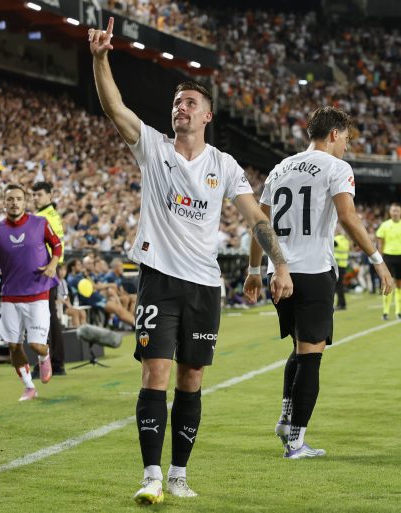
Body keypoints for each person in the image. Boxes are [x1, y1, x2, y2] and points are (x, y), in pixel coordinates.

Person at [89, 17, 292, 504]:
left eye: (190, 103)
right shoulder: (152, 148)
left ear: (207, 116)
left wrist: (277, 265)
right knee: (154, 374)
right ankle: (151, 476)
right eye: (177, 102)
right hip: (159, 280)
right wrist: (100, 59)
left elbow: (256, 218)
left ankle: (179, 473)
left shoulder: (224, 165)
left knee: (192, 379)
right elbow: (114, 107)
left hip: (203, 286)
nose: (181, 108)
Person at [244, 106, 394, 459]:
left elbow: (260, 223)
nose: (347, 147)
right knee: (311, 358)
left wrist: (254, 269)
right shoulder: (337, 167)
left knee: (299, 349)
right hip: (312, 271)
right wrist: (377, 260)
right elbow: (348, 218)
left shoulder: (280, 168)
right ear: (333, 135)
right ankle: (296, 440)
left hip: (279, 273)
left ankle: (286, 419)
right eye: (346, 139)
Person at [0, 184, 62, 402]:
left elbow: (57, 245)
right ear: (4, 203)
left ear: (25, 202)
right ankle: (29, 386)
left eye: (18, 199)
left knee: (36, 345)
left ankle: (44, 355)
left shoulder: (40, 223)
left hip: (38, 292)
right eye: (10, 199)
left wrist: (53, 264)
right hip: (10, 295)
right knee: (13, 346)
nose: (14, 203)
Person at [32, 181, 66, 377]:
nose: (36, 198)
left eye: (39, 195)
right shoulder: (53, 215)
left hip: (45, 270)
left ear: (49, 195)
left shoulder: (43, 217)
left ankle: (48, 362)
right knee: (50, 317)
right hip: (52, 268)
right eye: (34, 195)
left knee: (44, 317)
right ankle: (57, 361)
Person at [375, 203, 401, 320]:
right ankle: (385, 312)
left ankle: (398, 312)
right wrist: (379, 259)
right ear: (390, 212)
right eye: (393, 210)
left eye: (397, 210)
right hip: (388, 257)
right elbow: (380, 243)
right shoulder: (384, 225)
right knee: (387, 283)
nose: (395, 213)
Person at [333, 230, 350, 310]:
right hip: (343, 265)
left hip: (337, 265)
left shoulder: (336, 239)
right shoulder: (346, 241)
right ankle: (341, 304)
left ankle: (341, 304)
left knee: (338, 286)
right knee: (339, 286)